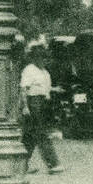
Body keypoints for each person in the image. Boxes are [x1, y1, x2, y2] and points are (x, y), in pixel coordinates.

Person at [19, 45, 63, 175]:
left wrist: (55, 89)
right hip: (34, 103)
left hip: (43, 102)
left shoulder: (43, 71)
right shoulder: (29, 70)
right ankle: (53, 163)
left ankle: (21, 165)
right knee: (42, 133)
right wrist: (25, 107)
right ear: (35, 58)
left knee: (29, 137)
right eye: (42, 58)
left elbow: (43, 87)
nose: (45, 61)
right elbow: (24, 89)